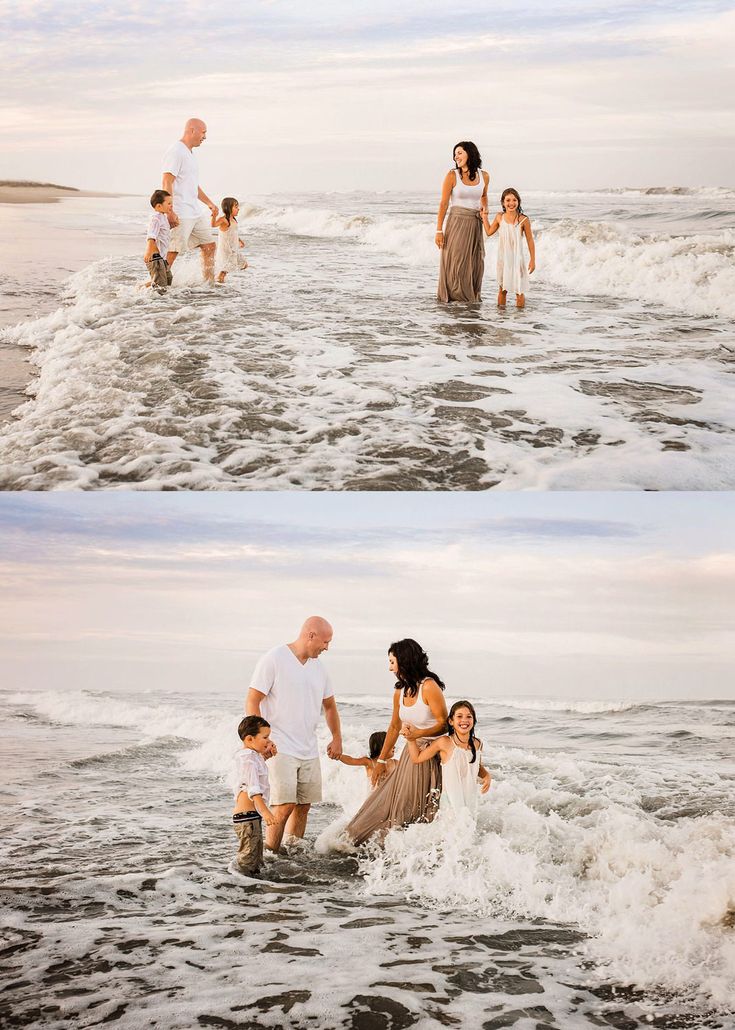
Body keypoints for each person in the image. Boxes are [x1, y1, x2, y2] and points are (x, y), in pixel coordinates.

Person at [246, 616, 342, 853]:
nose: (327, 647)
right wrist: (261, 740)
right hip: (279, 746)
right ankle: (269, 854)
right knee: (284, 804)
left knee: (303, 806)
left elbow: (329, 706)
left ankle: (290, 852)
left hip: (308, 748)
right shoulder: (274, 658)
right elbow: (253, 699)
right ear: (311, 635)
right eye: (325, 641)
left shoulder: (319, 668)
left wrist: (337, 737)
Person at [345, 639, 449, 846]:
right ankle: (389, 847)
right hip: (410, 753)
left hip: (432, 754)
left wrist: (418, 733)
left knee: (413, 808)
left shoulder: (429, 687)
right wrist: (381, 761)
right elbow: (393, 727)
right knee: (387, 805)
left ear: (404, 660)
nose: (390, 667)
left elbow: (444, 724)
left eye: (393, 661)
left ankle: (415, 850)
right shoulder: (399, 691)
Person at [403, 700, 491, 817]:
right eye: (459, 716)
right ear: (451, 721)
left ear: (474, 721)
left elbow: (476, 766)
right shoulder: (444, 742)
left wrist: (487, 776)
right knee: (452, 828)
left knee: (468, 827)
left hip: (470, 797)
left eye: (469, 716)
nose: (464, 720)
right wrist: (411, 739)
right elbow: (417, 758)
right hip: (450, 798)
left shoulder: (478, 744)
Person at [161, 118, 218, 282]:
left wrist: (209, 203)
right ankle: (153, 288)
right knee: (172, 251)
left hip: (194, 212)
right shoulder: (176, 151)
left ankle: (208, 286)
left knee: (209, 246)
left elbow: (193, 185)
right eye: (203, 132)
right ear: (192, 130)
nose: (205, 137)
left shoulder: (189, 153)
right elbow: (167, 181)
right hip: (180, 211)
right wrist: (169, 211)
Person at [436, 141, 489, 303]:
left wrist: (484, 210)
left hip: (475, 223)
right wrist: (439, 230)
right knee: (457, 262)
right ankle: (455, 299)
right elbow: (444, 203)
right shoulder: (452, 175)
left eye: (459, 153)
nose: (455, 157)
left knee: (475, 263)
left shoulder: (484, 175)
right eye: (455, 154)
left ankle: (469, 302)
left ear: (470, 153)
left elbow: (484, 195)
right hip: (457, 222)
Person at [232, 715, 276, 876]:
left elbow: (258, 770)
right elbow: (253, 787)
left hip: (251, 816)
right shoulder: (247, 757)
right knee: (248, 858)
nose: (268, 740)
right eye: (265, 737)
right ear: (250, 739)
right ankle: (242, 887)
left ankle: (253, 885)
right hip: (247, 817)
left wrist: (267, 753)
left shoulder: (253, 756)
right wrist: (265, 811)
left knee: (256, 857)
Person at [481, 188, 536, 309]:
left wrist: (532, 260)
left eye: (514, 200)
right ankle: (501, 319)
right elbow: (489, 232)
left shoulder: (523, 220)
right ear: (503, 203)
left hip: (517, 259)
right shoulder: (499, 217)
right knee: (502, 289)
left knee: (519, 290)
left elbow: (530, 240)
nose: (511, 203)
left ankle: (519, 321)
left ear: (518, 202)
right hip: (503, 259)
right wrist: (484, 217)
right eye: (508, 200)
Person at [332, 731, 398, 791]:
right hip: (374, 797)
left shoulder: (395, 762)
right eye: (391, 745)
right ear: (381, 748)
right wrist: (339, 756)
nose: (394, 747)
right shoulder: (369, 762)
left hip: (391, 797)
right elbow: (352, 760)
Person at [213, 197, 248, 284]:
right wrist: (214, 215)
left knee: (244, 265)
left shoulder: (233, 220)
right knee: (225, 269)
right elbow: (213, 224)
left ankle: (218, 278)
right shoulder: (224, 220)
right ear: (228, 208)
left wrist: (239, 240)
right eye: (236, 207)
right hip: (226, 248)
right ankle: (219, 282)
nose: (238, 209)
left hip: (233, 248)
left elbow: (234, 232)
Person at [143, 189, 174, 291]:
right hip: (156, 257)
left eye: (171, 203)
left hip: (162, 258)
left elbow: (163, 234)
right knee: (160, 287)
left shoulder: (163, 217)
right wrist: (148, 252)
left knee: (168, 280)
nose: (171, 205)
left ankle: (141, 288)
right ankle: (154, 304)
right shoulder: (156, 219)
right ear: (159, 206)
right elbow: (151, 236)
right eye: (169, 203)